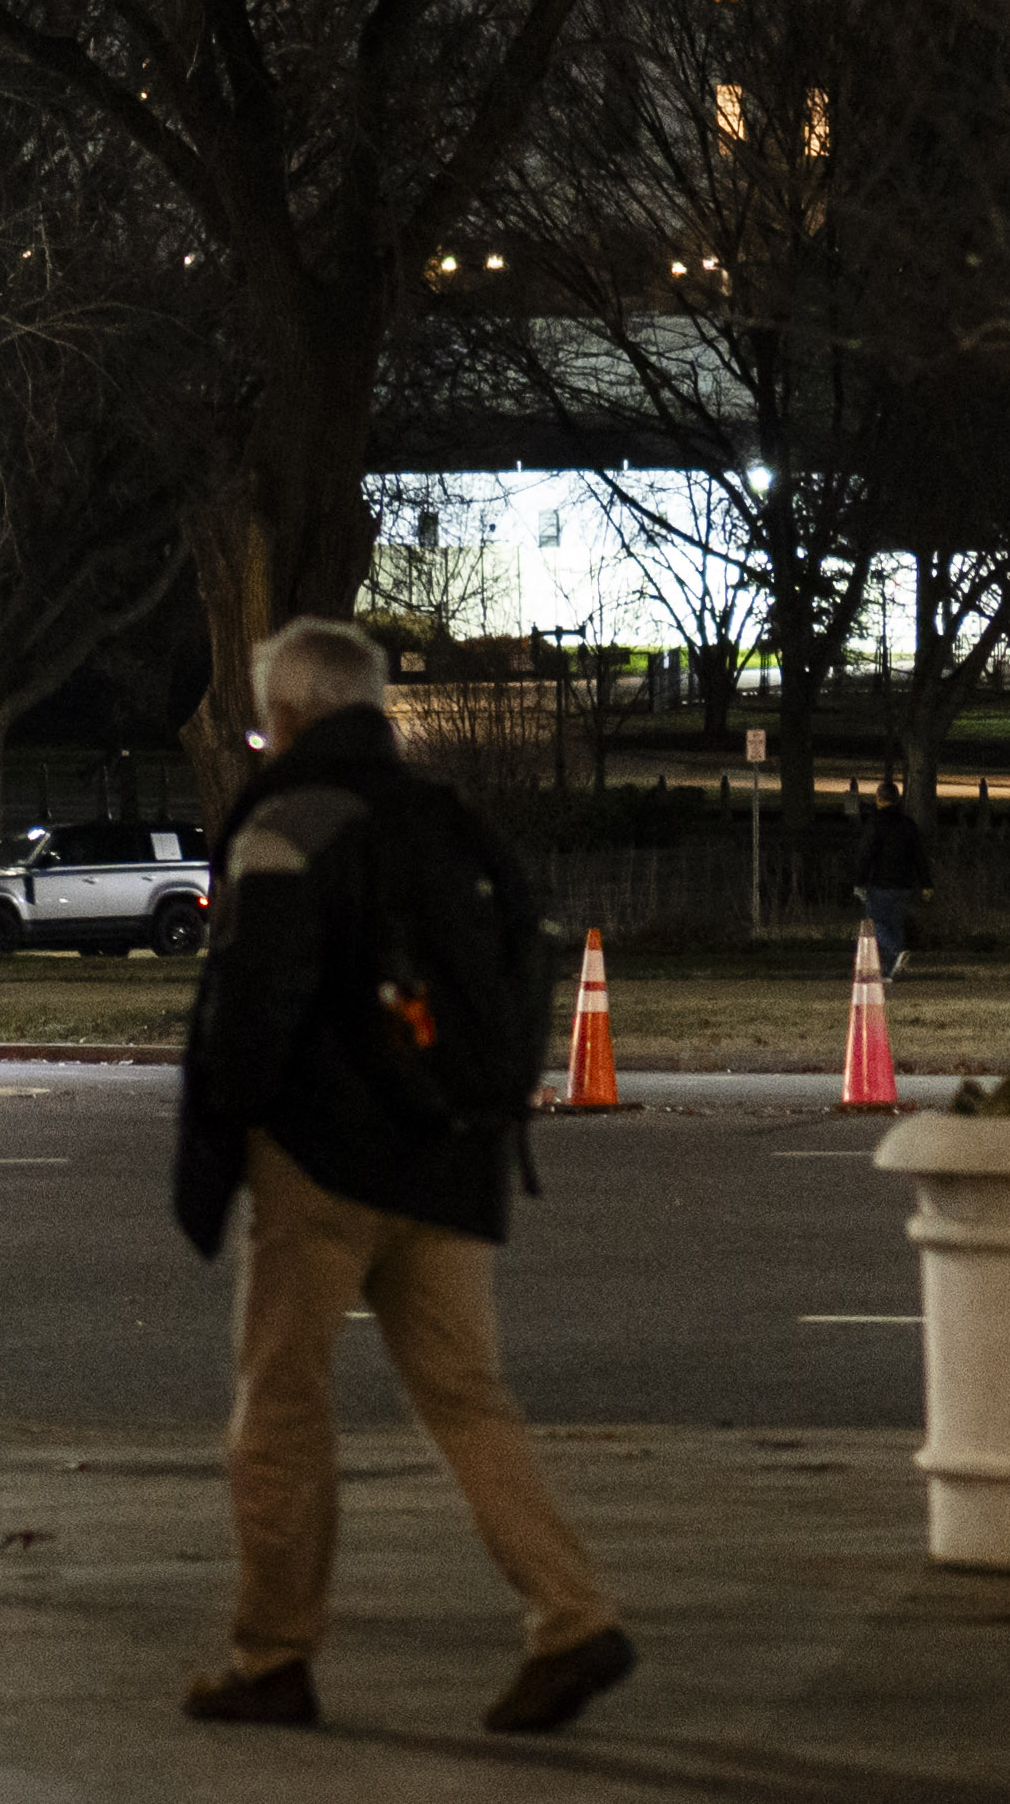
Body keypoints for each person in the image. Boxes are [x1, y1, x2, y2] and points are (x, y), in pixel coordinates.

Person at [174, 617, 631, 1736]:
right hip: (453, 1154)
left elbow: (257, 1002)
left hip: (325, 1161)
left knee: (279, 1408)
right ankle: (570, 1616)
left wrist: (220, 1139)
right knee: (469, 1399)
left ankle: (273, 1655)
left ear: (285, 716)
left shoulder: (289, 825)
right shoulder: (448, 822)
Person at [853, 775, 931, 979]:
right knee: (894, 925)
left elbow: (865, 854)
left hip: (880, 883)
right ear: (897, 799)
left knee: (875, 923)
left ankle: (896, 952)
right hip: (904, 884)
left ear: (879, 798)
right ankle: (890, 971)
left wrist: (859, 881)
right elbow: (919, 855)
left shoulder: (875, 823)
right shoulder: (908, 824)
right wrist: (925, 883)